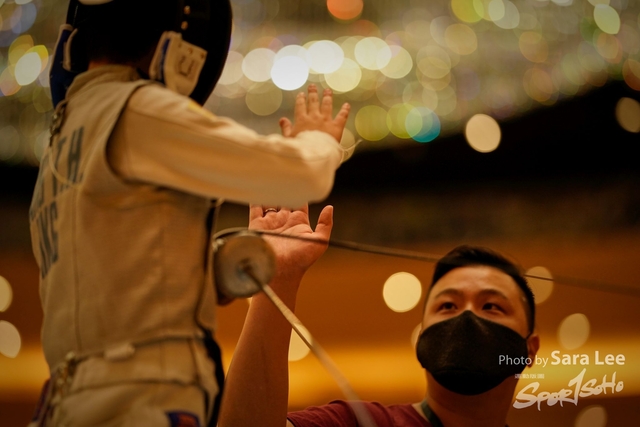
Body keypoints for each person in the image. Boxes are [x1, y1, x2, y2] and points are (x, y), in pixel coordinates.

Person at [28, 0, 350, 426]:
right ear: (182, 47)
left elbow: (111, 272)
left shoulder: (61, 142)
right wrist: (318, 141)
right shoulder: (136, 109)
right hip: (141, 403)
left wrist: (203, 271)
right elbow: (300, 174)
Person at [218, 206, 540, 427]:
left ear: (529, 350)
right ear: (423, 337)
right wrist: (279, 278)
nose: (467, 316)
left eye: (491, 306)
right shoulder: (357, 423)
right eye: (447, 306)